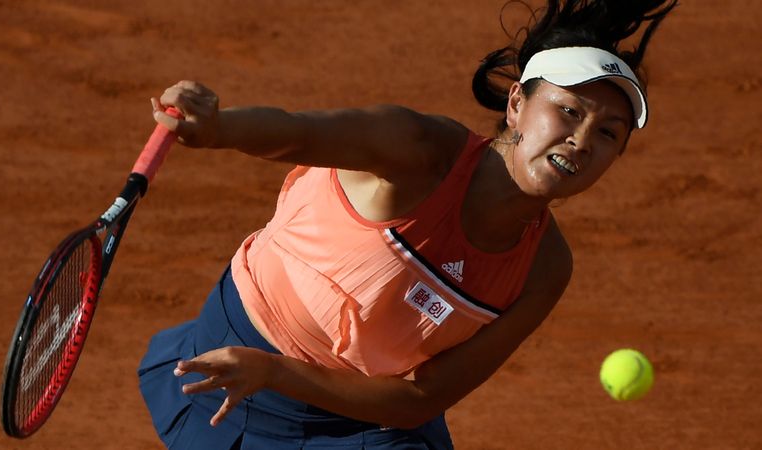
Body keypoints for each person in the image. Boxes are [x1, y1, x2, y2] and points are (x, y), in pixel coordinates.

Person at [138, 0, 678, 448]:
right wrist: (219, 128)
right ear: (516, 103)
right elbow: (296, 133)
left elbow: (421, 398)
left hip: (362, 422)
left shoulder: (545, 268)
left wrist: (276, 372)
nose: (581, 142)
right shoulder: (419, 151)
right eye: (569, 112)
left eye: (608, 134)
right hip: (228, 365)